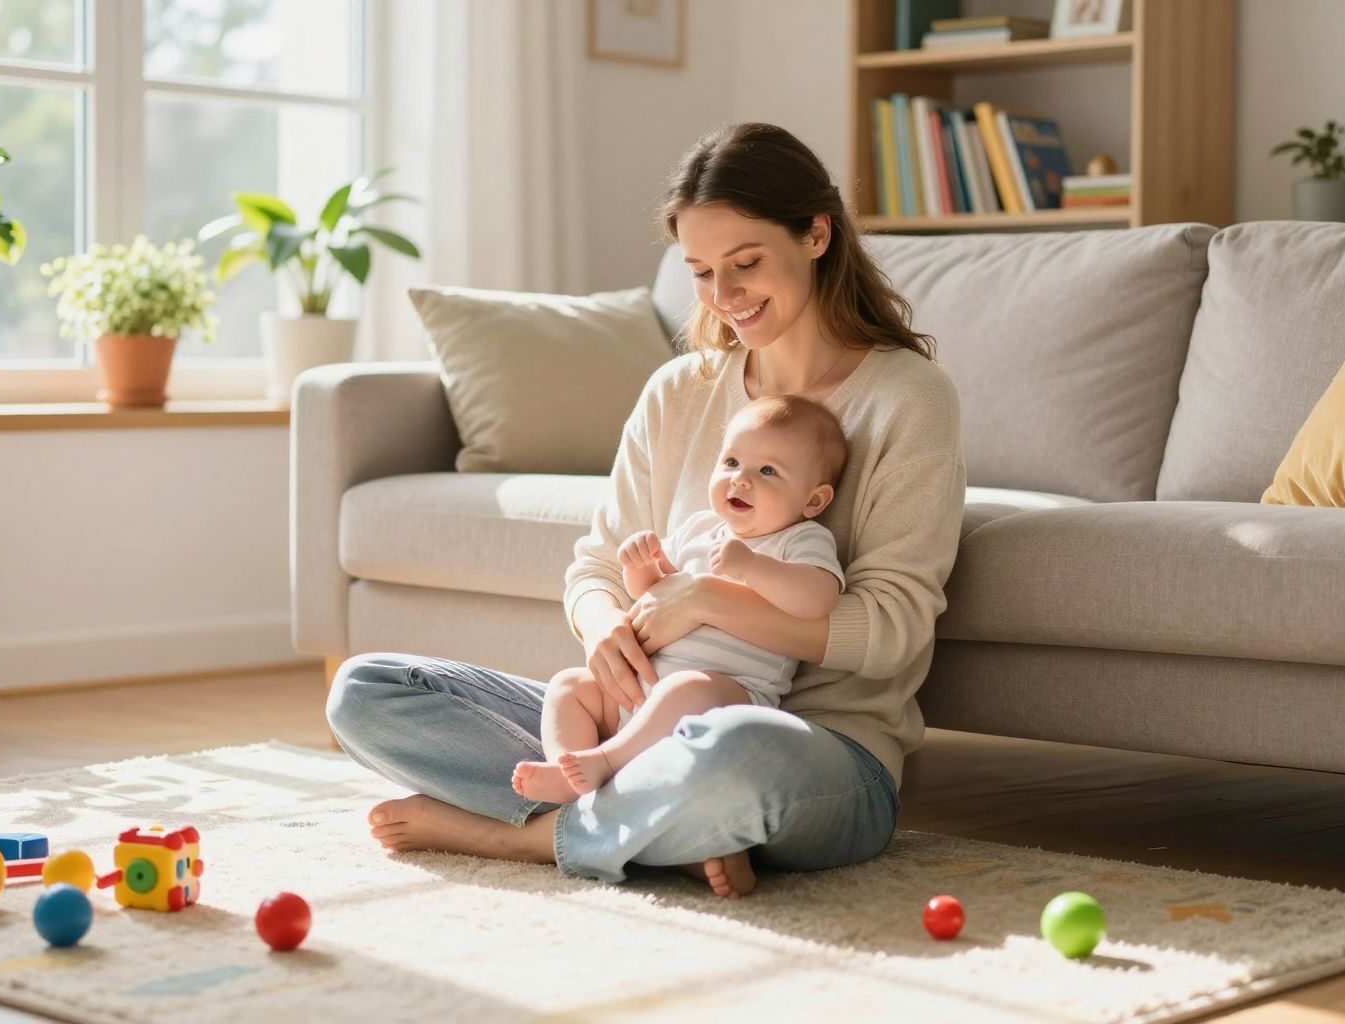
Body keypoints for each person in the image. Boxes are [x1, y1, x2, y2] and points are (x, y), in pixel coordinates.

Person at [326, 121, 966, 900]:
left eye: (746, 264)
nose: (724, 298)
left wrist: (705, 599)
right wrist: (605, 634)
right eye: (700, 272)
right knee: (367, 691)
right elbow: (596, 567)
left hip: (807, 747)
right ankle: (659, 831)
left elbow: (892, 630)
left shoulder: (908, 399)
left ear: (817, 234)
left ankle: (519, 837)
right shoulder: (681, 391)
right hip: (629, 729)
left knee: (737, 757)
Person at [510, 393, 848, 803]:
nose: (741, 480)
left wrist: (752, 568)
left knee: (688, 688)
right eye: (731, 463)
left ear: (813, 500)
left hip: (726, 695)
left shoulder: (801, 540)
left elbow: (817, 600)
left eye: (768, 471)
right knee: (569, 685)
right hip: (639, 692)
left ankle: (606, 762)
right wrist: (641, 566)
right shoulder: (699, 528)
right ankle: (569, 768)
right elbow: (652, 595)